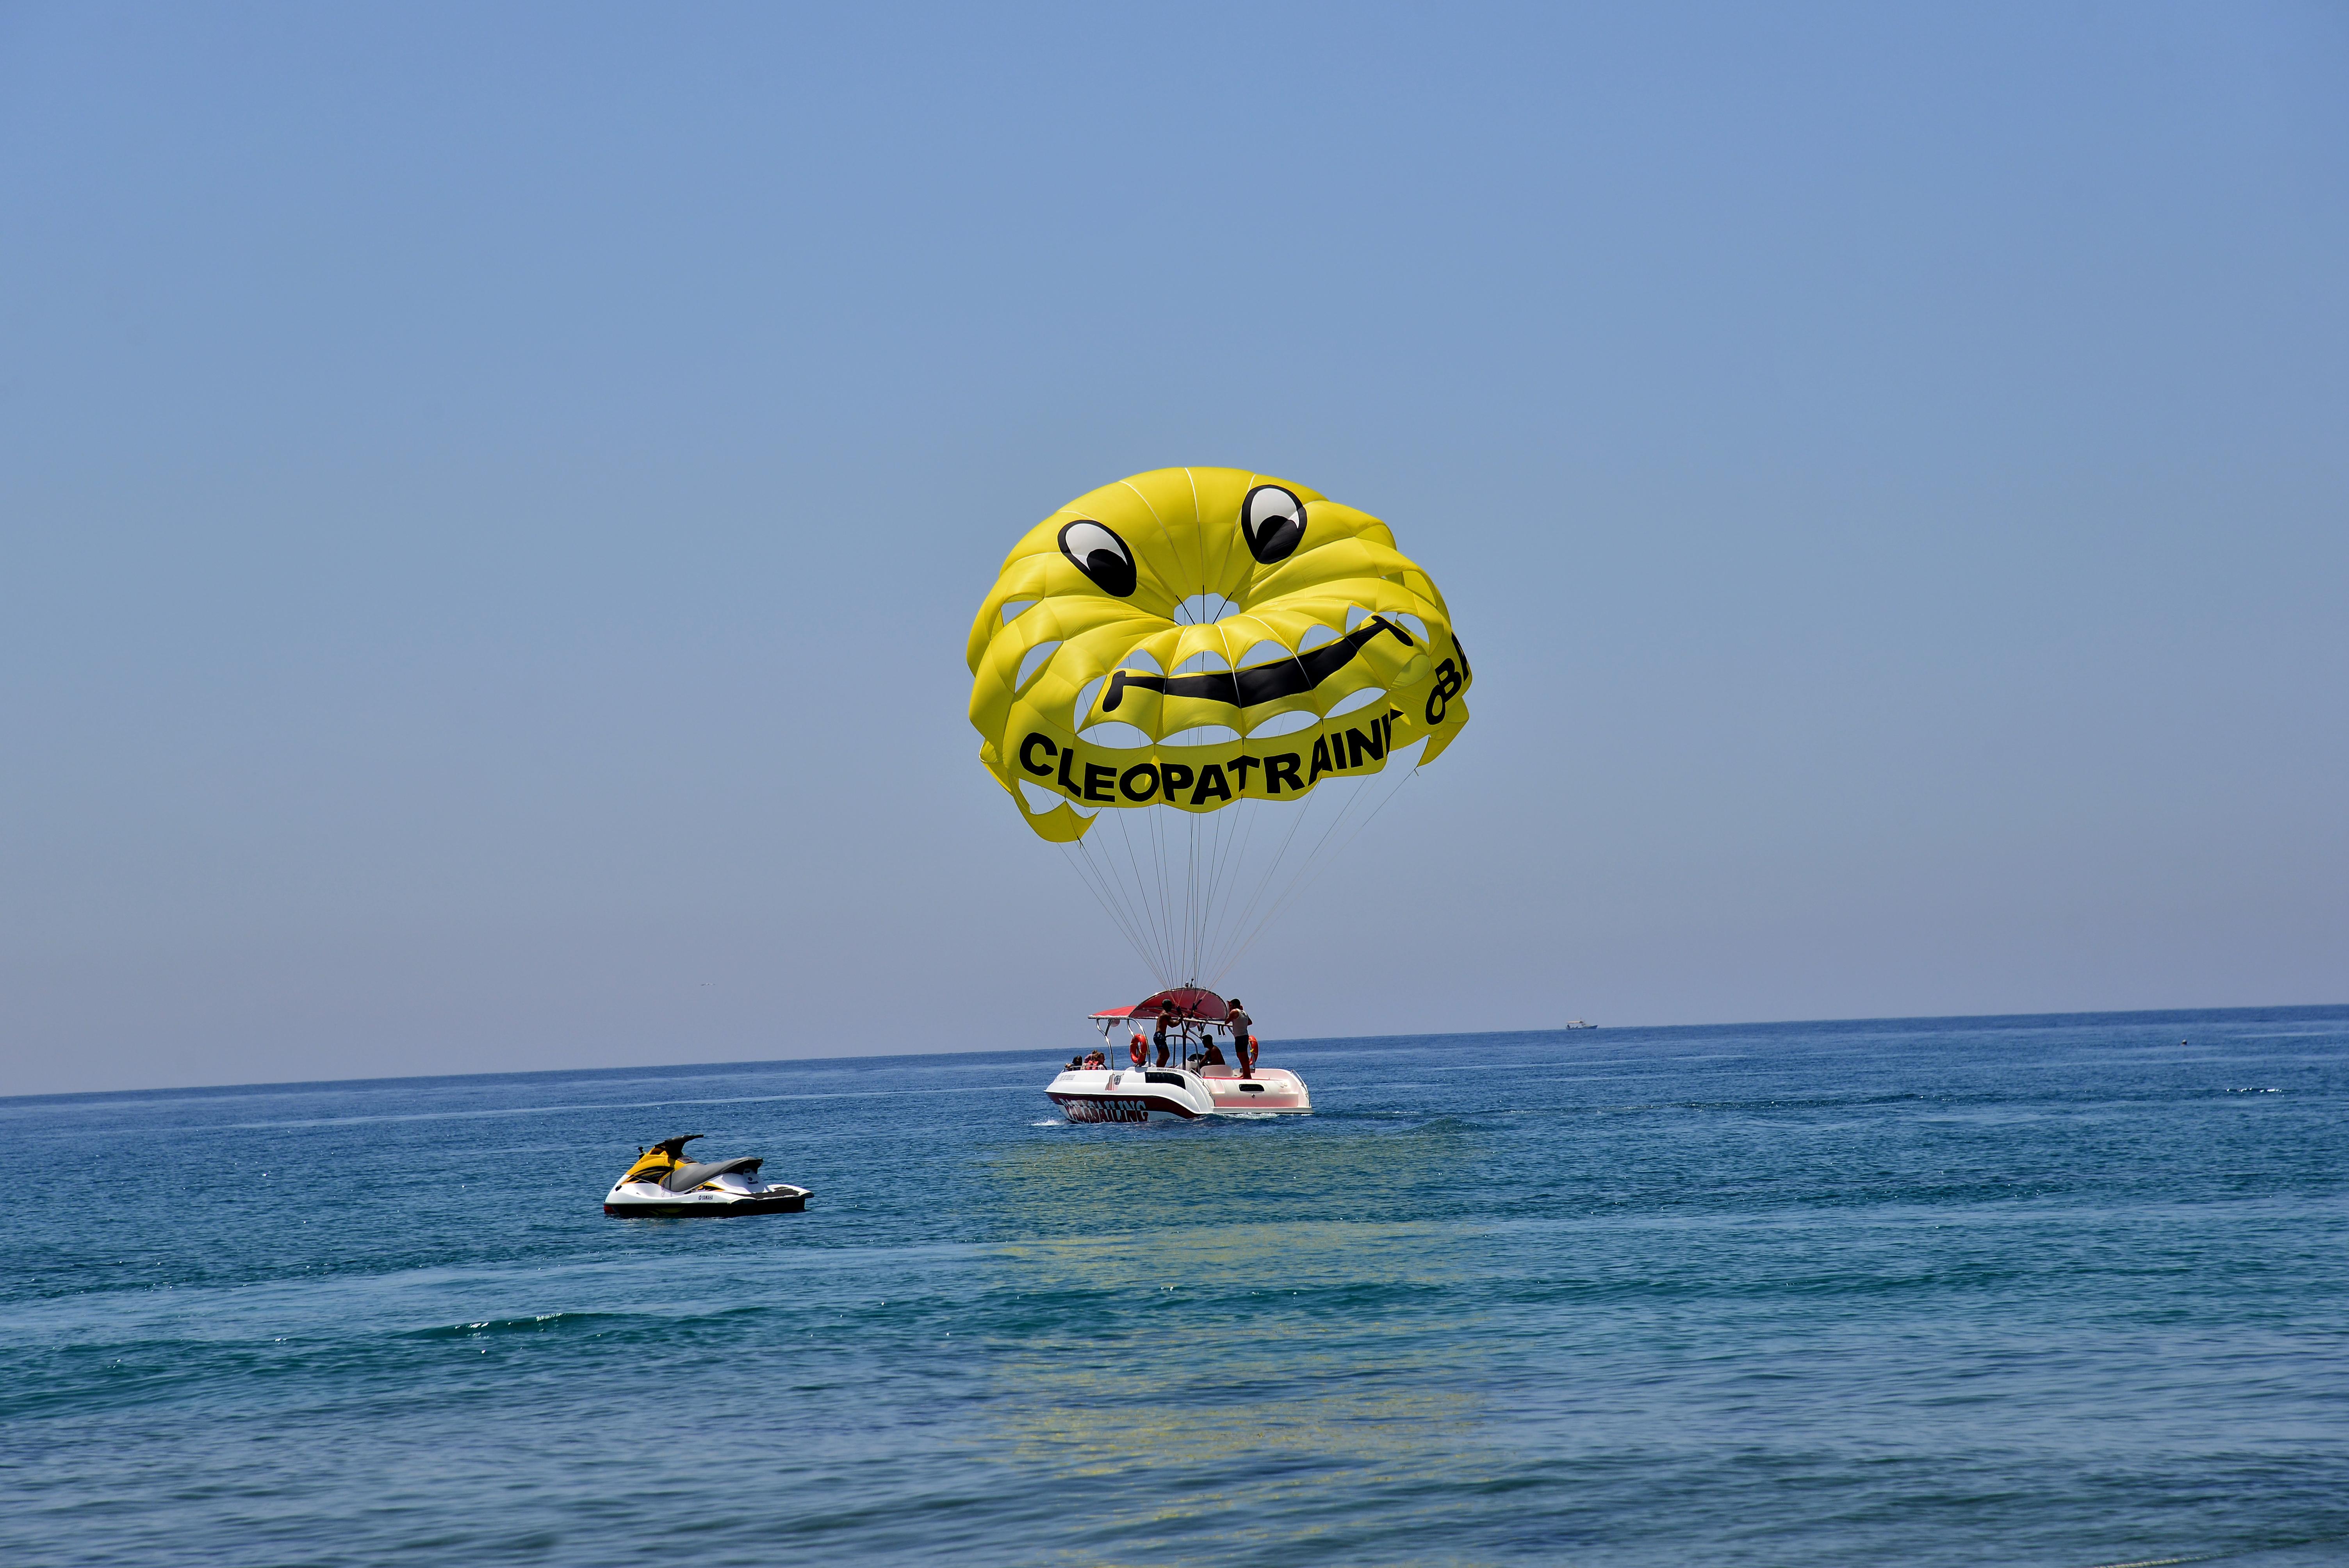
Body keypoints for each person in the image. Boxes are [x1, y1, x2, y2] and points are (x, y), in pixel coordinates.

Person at [1224, 998, 1256, 1078]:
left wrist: (1232, 1019)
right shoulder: (1244, 1013)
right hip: (1245, 1036)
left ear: (1234, 1006)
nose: (1231, 1008)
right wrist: (1240, 1024)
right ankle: (1246, 1074)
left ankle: (1247, 1075)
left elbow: (1226, 1022)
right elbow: (1250, 1022)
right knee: (1242, 1056)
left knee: (1242, 1056)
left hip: (1240, 1037)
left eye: (1231, 1006)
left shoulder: (1234, 1012)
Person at [1152, 1001, 1178, 1068]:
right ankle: (1159, 1069)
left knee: (1167, 1055)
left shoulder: (1163, 1014)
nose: (1171, 1007)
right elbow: (1173, 1025)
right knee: (1162, 1054)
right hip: (1159, 1036)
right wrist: (1180, 1019)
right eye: (1170, 1006)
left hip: (1160, 1036)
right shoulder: (1165, 1015)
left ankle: (1162, 1068)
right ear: (1166, 1006)